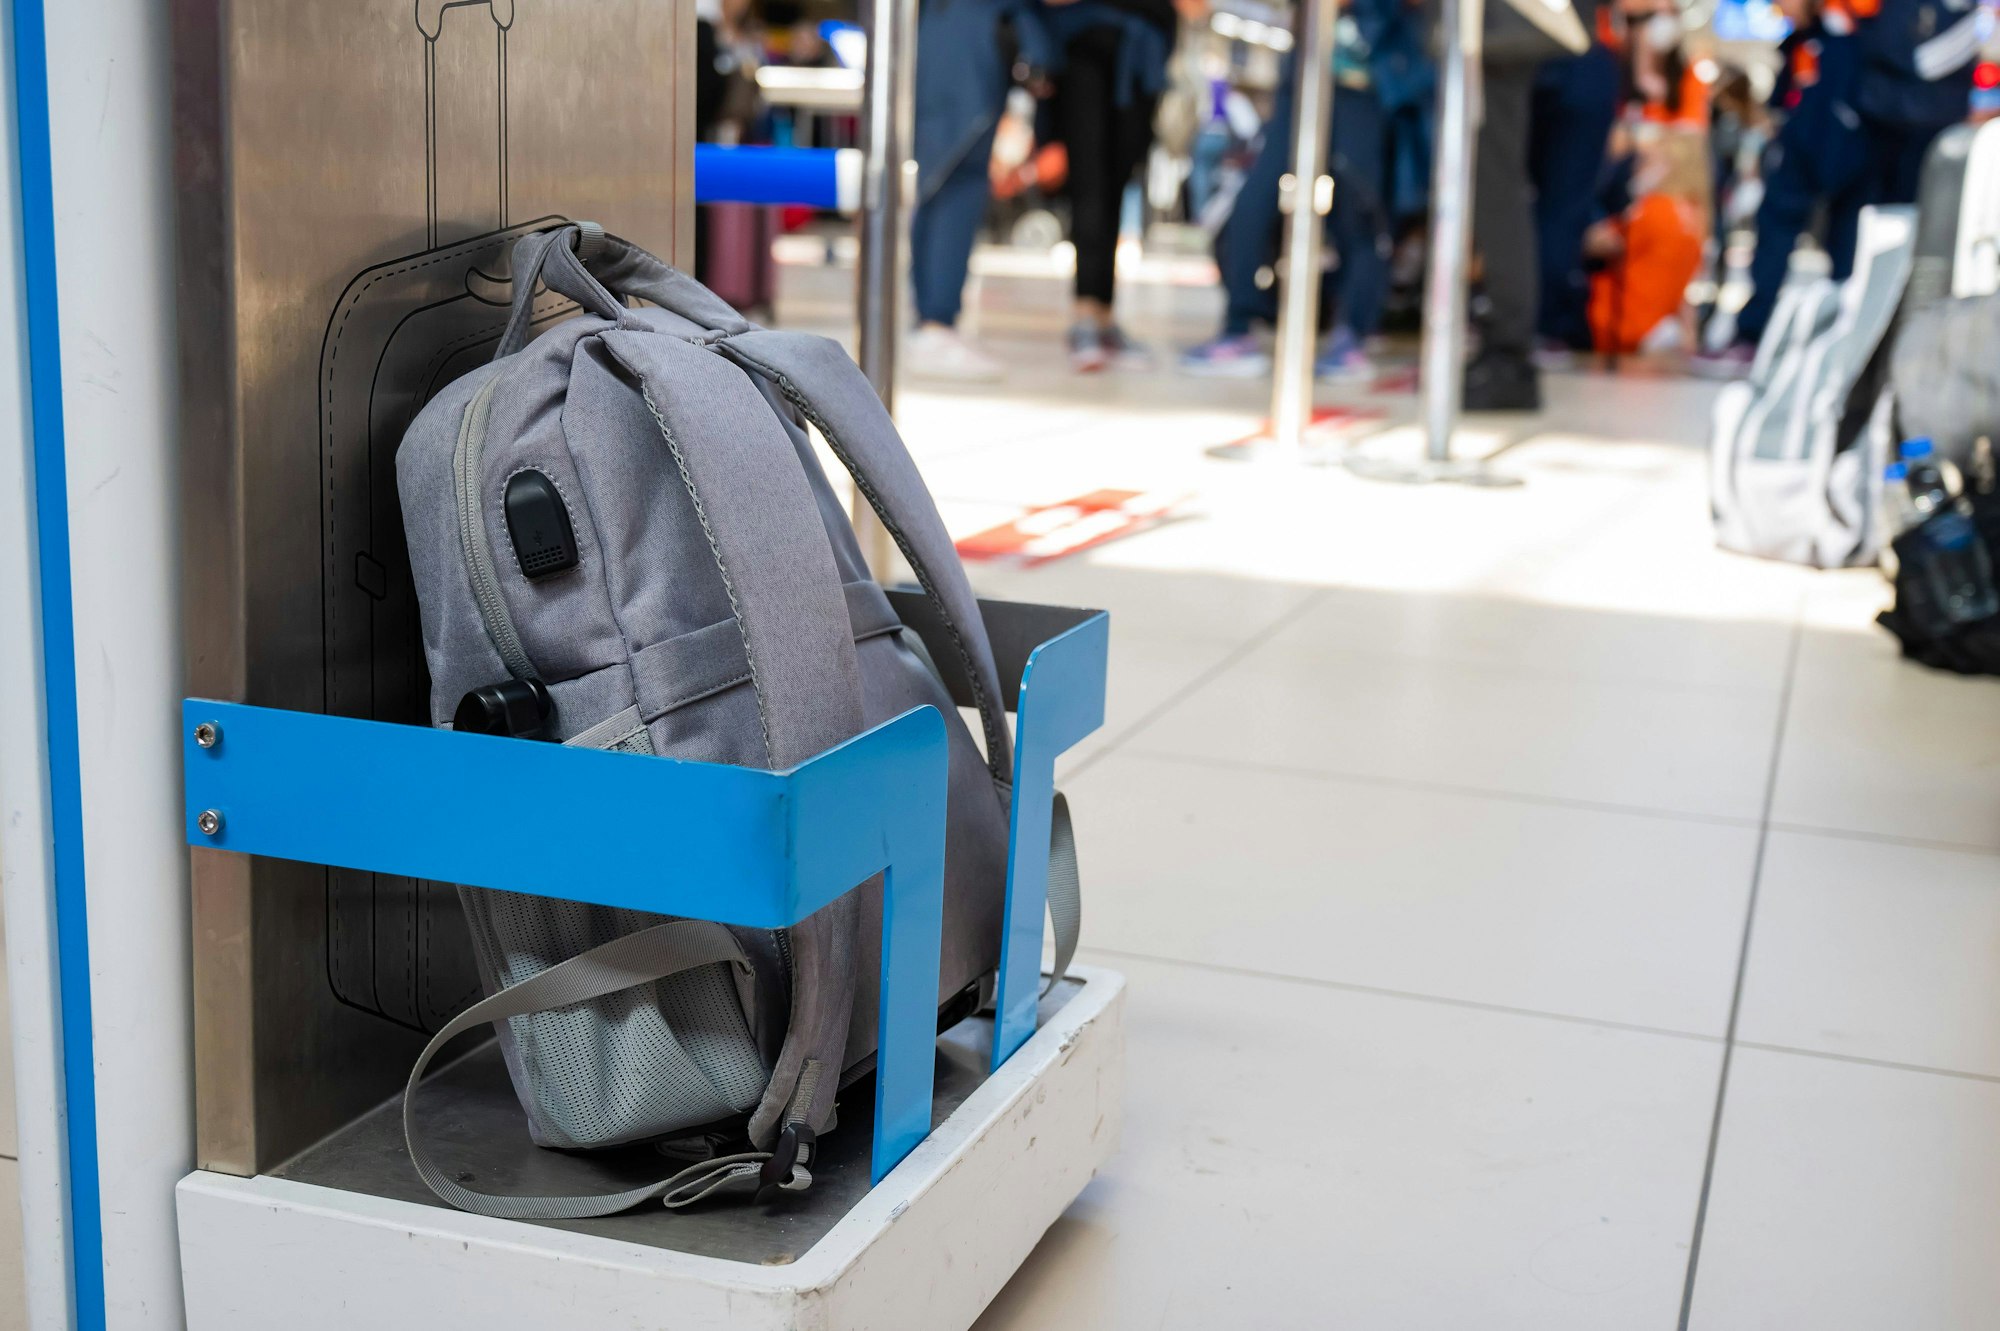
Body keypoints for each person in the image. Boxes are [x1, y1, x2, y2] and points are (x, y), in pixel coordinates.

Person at [1180, 0, 1410, 380]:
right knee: (1254, 200)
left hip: (1364, 76)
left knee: (1359, 209)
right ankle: (1239, 327)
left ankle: (1353, 333)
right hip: (1303, 70)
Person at [1692, 0, 1866, 374]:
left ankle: (1840, 345)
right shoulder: (1805, 40)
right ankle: (1753, 337)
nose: (1778, 8)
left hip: (1835, 155)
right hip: (1804, 155)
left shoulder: (1846, 36)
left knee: (1844, 251)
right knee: (1773, 240)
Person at [1042, 0, 1182, 371]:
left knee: (1119, 188)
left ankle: (1103, 315)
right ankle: (1084, 315)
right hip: (1085, 52)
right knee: (1090, 185)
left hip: (1141, 60)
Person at [906, 0, 1025, 382]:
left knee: (936, 190)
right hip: (969, 69)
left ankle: (931, 320)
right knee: (957, 189)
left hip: (936, 57)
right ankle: (936, 324)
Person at [1529, 38, 1622, 359]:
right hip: (1580, 62)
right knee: (1563, 209)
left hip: (1523, 57)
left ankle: (1529, 321)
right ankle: (1548, 325)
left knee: (1522, 201)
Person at [1585, 126, 1709, 353]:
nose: (1637, 169)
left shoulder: (1653, 210)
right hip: (1659, 320)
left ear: (1671, 166)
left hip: (1622, 322)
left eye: (1648, 162)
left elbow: (1599, 243)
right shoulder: (1694, 216)